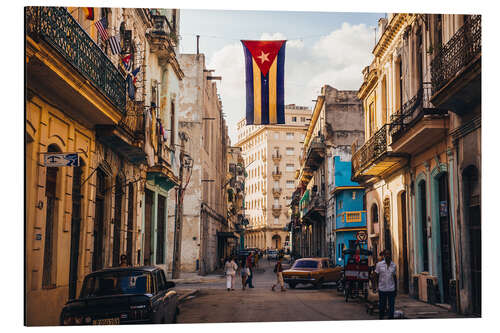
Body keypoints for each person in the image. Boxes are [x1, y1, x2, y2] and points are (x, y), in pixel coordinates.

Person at [374, 250, 397, 319]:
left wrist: (396, 288)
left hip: (391, 289)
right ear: (384, 256)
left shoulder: (394, 265)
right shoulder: (379, 265)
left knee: (391, 307)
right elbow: (375, 275)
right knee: (382, 306)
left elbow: (394, 277)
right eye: (386, 254)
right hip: (382, 289)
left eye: (389, 254)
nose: (387, 256)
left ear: (390, 255)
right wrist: (375, 286)